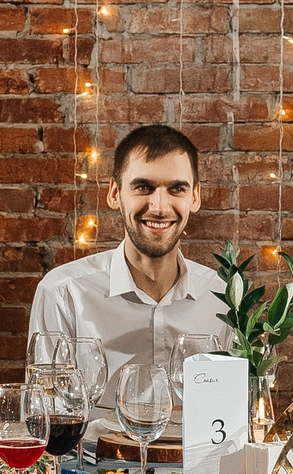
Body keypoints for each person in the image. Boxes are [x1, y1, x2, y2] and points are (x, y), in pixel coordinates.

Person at [27, 123, 226, 405]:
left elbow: (238, 412)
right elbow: (45, 414)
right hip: (90, 451)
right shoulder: (63, 293)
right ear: (114, 193)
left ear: (194, 197)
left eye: (176, 189)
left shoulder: (225, 297)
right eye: (143, 187)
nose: (159, 207)